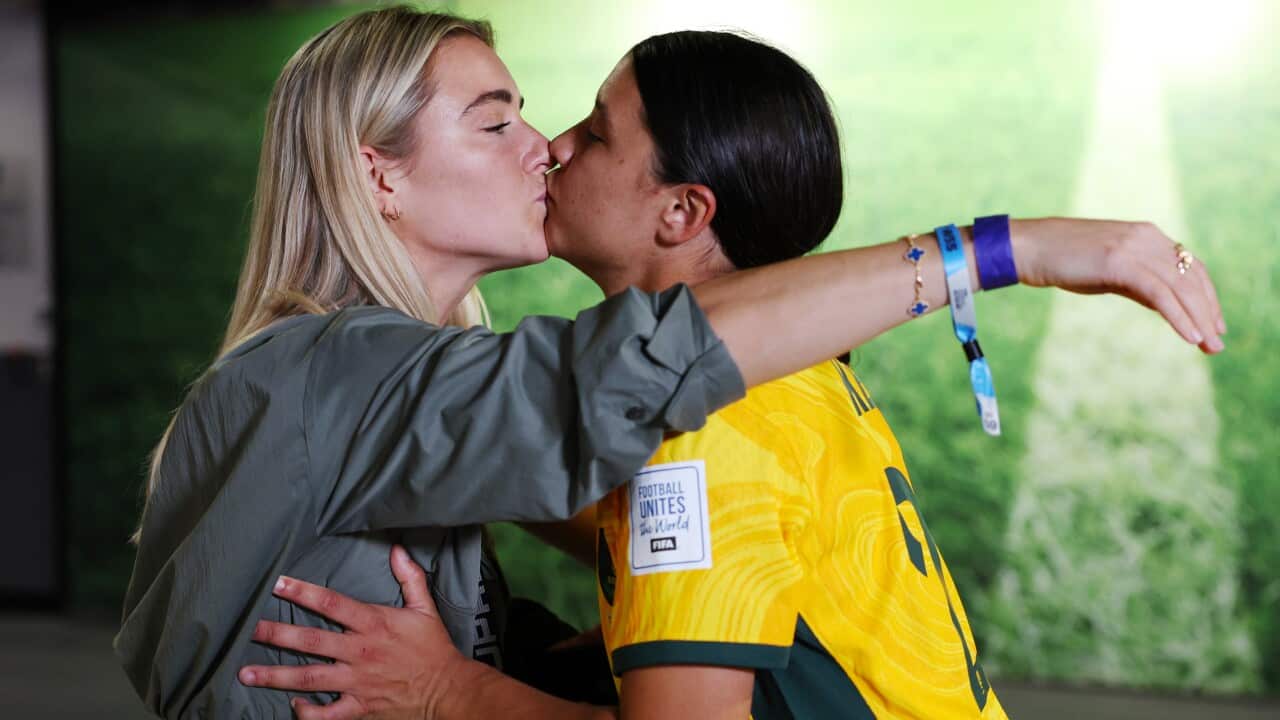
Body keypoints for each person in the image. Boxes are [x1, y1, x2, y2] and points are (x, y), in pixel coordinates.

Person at [234, 22, 1225, 720]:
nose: (554, 149)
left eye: (595, 130)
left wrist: (449, 694)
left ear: (680, 215)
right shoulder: (791, 376)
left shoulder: (702, 425)